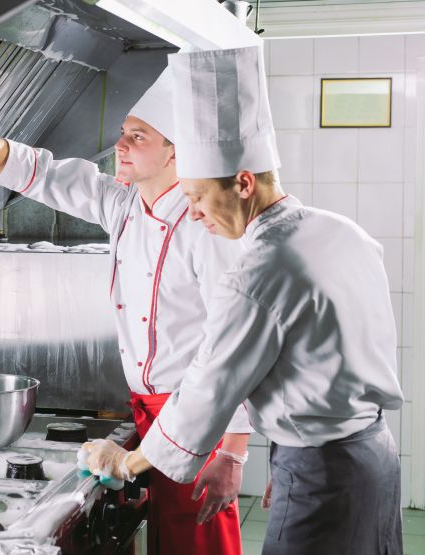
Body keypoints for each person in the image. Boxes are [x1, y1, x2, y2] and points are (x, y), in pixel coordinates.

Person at [82, 45, 405, 554]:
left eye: (196, 198)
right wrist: (294, 457)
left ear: (243, 182)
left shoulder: (256, 271)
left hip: (325, 468)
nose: (192, 214)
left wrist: (128, 462)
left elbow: (207, 393)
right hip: (372, 457)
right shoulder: (343, 232)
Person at [0, 69, 251, 555]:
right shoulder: (123, 205)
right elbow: (43, 173)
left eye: (137, 138)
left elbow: (238, 342)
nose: (120, 145)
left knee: (200, 545)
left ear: (175, 152)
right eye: (122, 132)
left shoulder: (203, 225)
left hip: (197, 419)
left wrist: (233, 454)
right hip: (146, 412)